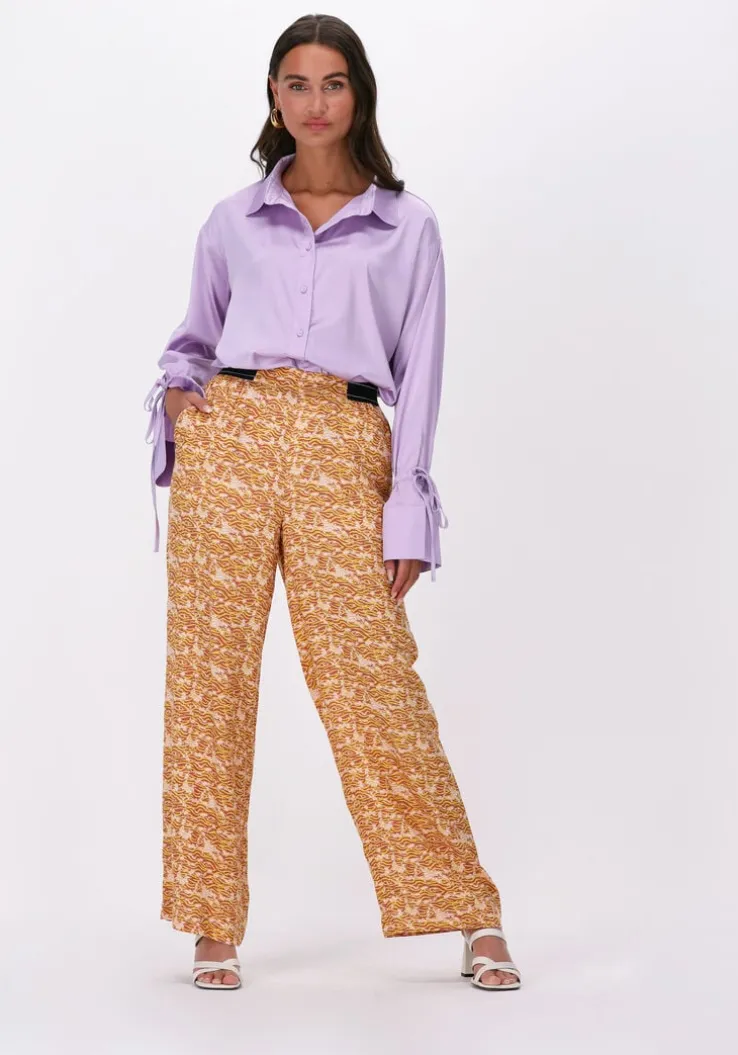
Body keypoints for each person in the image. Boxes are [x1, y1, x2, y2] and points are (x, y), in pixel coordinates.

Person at [143, 13, 521, 993]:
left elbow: (422, 376)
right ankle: (210, 920)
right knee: (209, 682)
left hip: (343, 440)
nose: (315, 102)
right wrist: (183, 398)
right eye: (297, 83)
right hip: (231, 437)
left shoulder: (407, 225)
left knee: (374, 686)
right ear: (274, 97)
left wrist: (410, 509)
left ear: (360, 95)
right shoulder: (233, 220)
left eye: (334, 82)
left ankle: (470, 907)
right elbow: (194, 338)